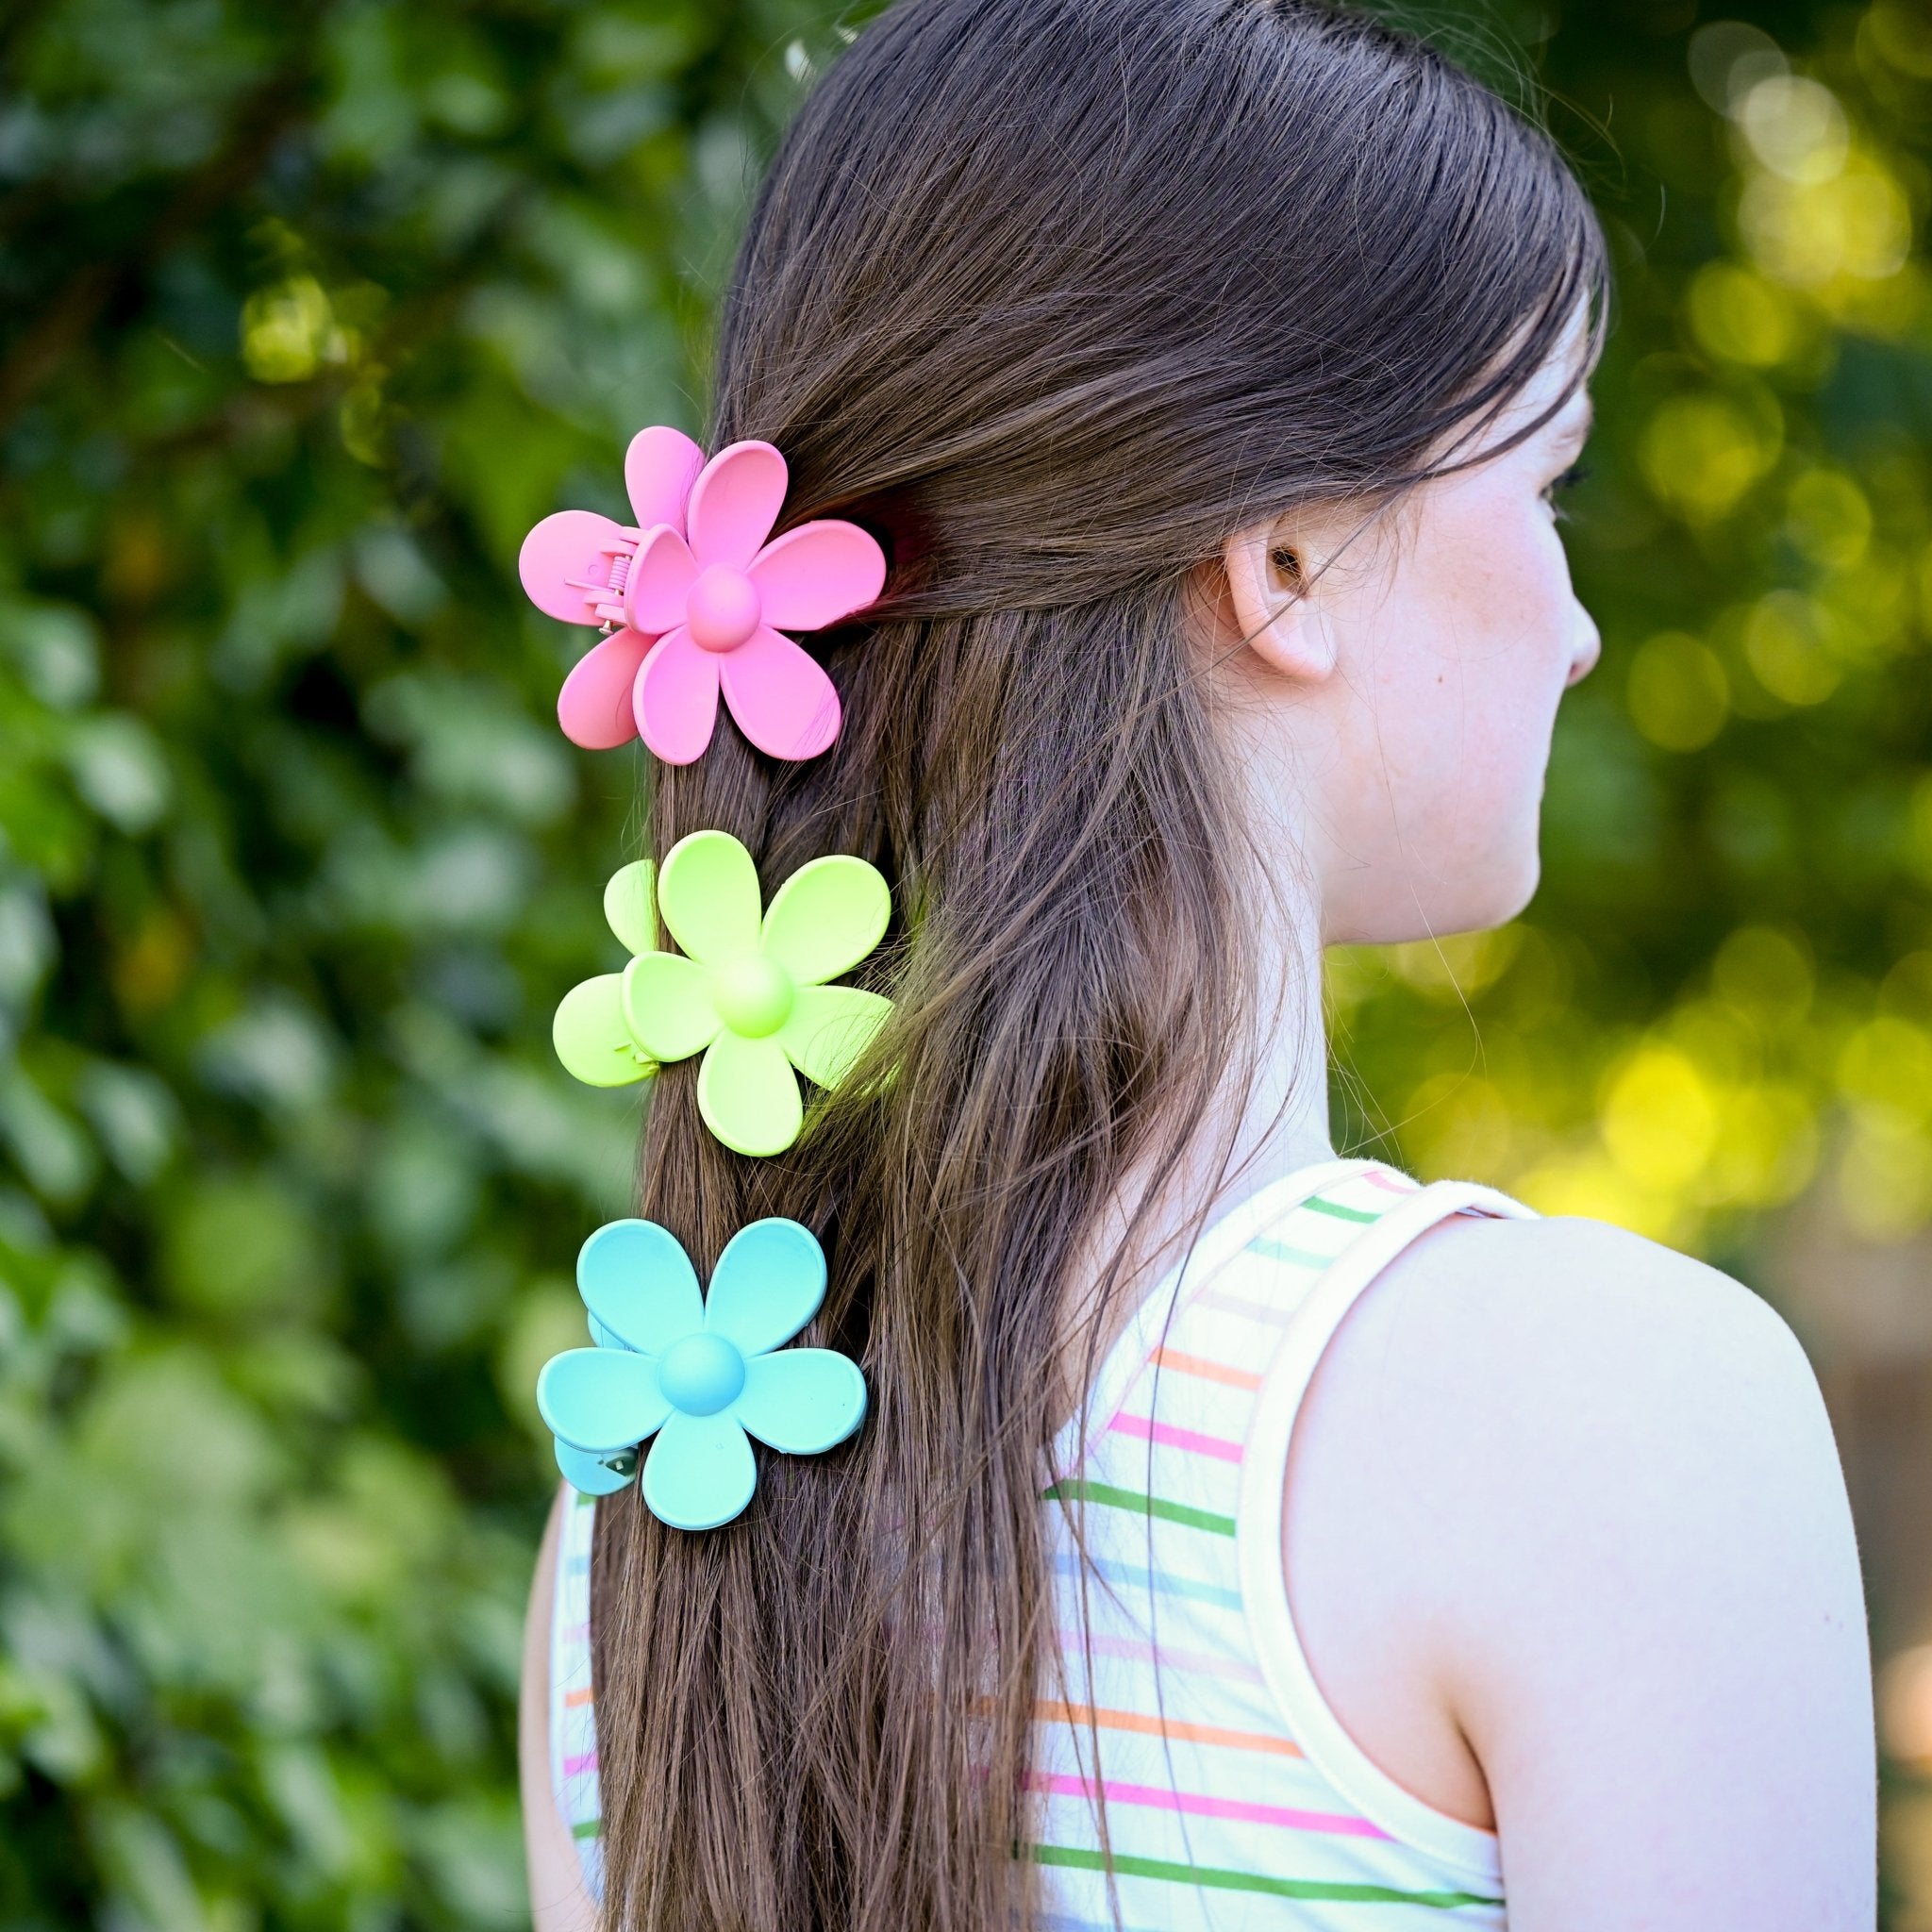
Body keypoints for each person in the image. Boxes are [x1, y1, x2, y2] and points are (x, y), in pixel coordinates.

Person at [517, 1, 1876, 1925]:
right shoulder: (1606, 1420)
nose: (1574, 627)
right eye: (1543, 482)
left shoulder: (655, 1476)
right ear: (1289, 562)